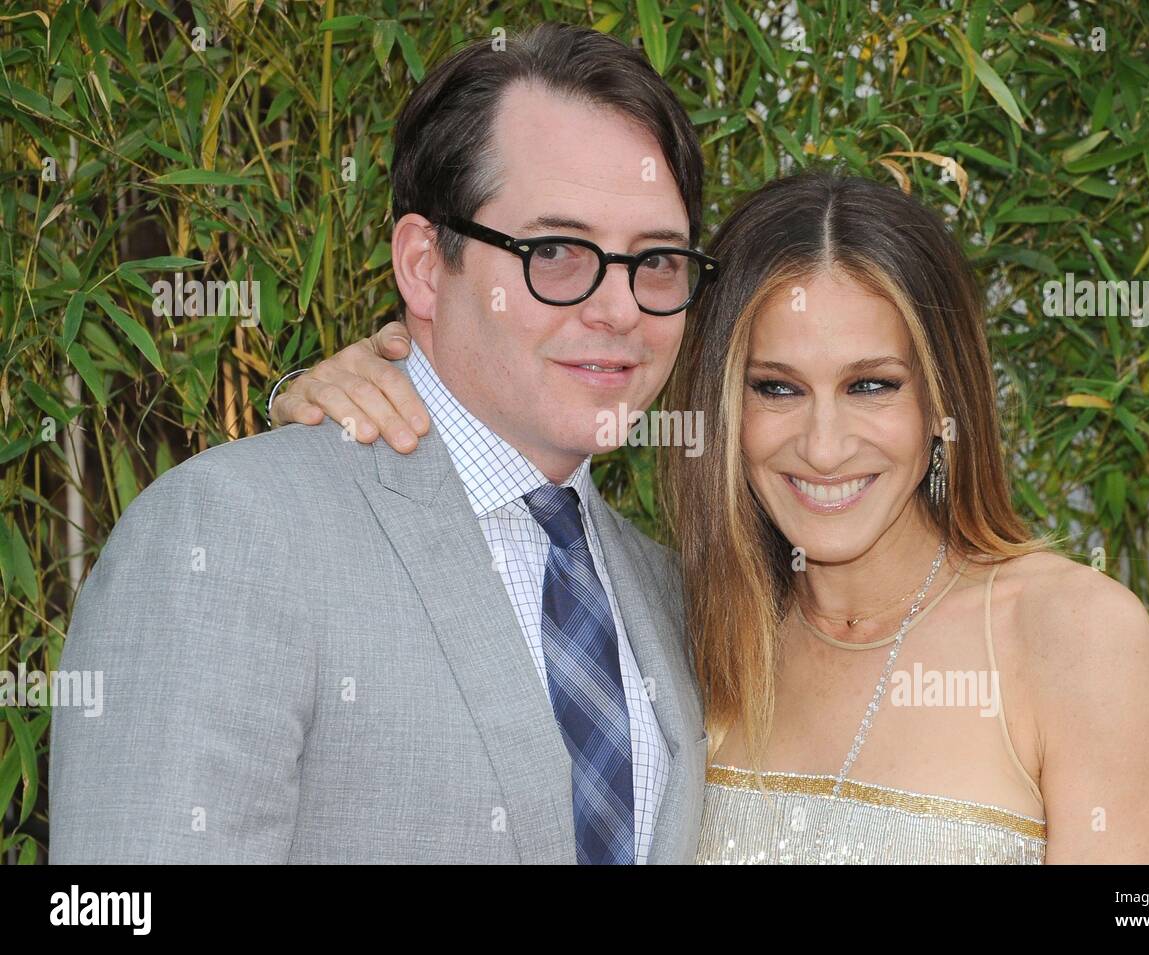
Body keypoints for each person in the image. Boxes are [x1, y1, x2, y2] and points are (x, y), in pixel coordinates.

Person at [274, 171, 1149, 863]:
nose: (823, 446)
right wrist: (346, 406)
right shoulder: (671, 619)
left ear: (944, 400)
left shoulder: (1071, 636)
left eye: (871, 385)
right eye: (776, 388)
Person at [51, 22, 712, 865]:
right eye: (555, 250)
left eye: (656, 260)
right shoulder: (229, 535)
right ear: (425, 266)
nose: (619, 308)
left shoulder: (669, 590)